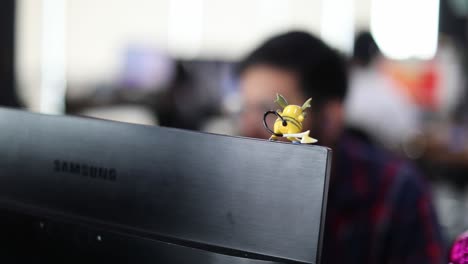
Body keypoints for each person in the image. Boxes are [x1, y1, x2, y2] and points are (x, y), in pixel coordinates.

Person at [237, 31, 444, 264]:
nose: (250, 128)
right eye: (245, 109)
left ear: (329, 118)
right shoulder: (235, 186)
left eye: (272, 112)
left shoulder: (396, 193)